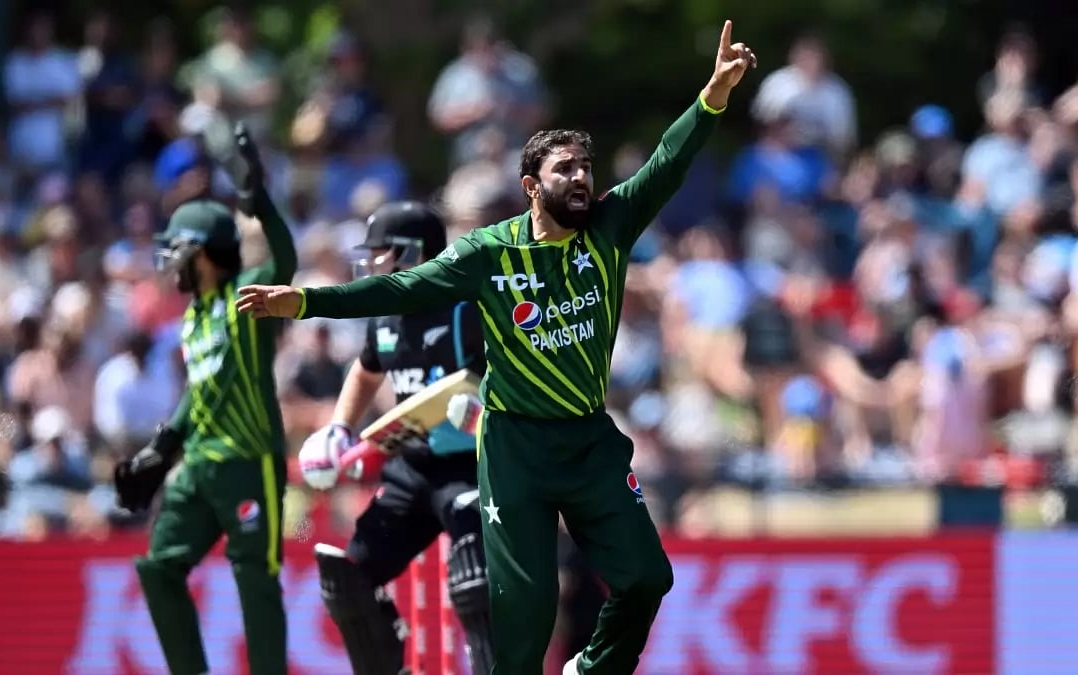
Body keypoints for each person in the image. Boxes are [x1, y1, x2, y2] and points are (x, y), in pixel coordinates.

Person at [235, 20, 757, 675]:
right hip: (515, 449)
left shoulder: (611, 226)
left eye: (586, 168)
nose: (581, 179)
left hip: (589, 439)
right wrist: (305, 301)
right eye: (565, 168)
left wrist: (712, 96)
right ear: (531, 184)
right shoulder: (489, 252)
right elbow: (399, 287)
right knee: (523, 615)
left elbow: (668, 162)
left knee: (648, 577)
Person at [112, 123, 296, 675]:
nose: (168, 264)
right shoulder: (191, 318)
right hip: (199, 466)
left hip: (248, 460)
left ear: (205, 253)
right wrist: (163, 447)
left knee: (255, 580)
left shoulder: (250, 300)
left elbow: (285, 261)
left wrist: (256, 198)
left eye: (177, 251)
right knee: (159, 567)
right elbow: (201, 392)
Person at [301, 200, 494, 674]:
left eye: (381, 252)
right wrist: (339, 427)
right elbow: (365, 372)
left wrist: (484, 406)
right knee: (347, 580)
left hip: (470, 467)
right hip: (410, 468)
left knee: (475, 584)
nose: (372, 264)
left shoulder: (465, 309)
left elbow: (512, 373)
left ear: (411, 254)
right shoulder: (385, 316)